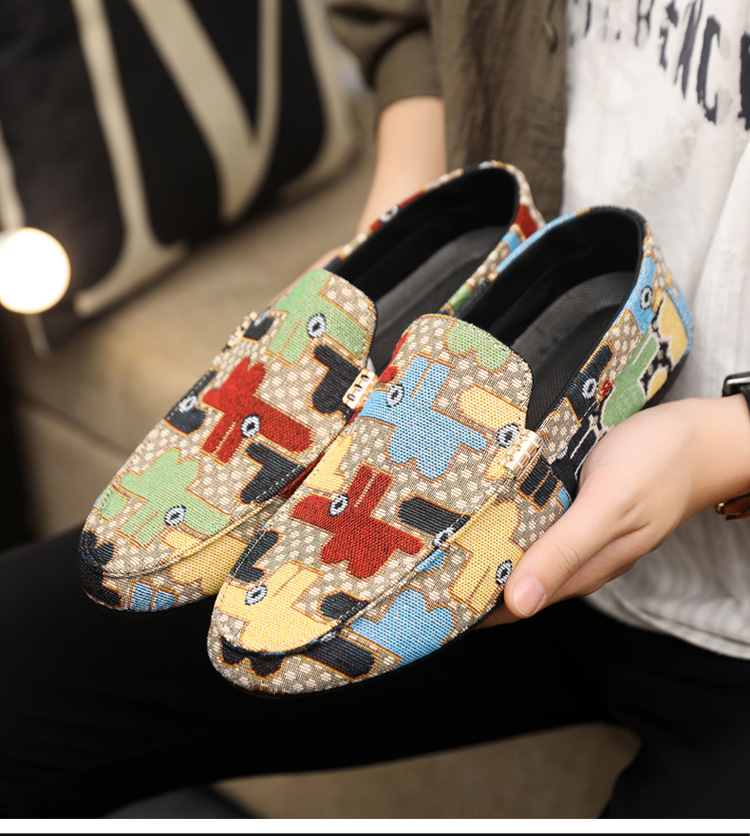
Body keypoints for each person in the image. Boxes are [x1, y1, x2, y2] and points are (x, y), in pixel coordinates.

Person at [1, 0, 749, 818]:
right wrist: (398, 224)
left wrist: (718, 449)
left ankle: (632, 333)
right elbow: (403, 19)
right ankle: (483, 250)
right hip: (470, 492)